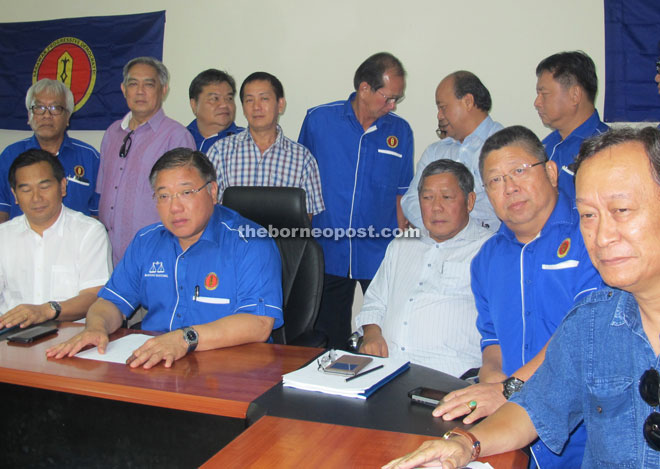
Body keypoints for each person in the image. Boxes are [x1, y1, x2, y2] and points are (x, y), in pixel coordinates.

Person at [383, 126, 660, 469]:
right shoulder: (590, 320)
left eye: (621, 210)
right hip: (514, 431)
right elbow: (537, 401)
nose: (602, 235)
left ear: (551, 172)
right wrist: (464, 442)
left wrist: (504, 391)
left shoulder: (595, 271)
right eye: (589, 215)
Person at [430, 126, 601, 467]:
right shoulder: (487, 259)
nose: (509, 188)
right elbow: (492, 339)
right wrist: (491, 383)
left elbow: (581, 338)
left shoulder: (593, 237)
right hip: (509, 436)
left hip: (586, 438)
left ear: (551, 172)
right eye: (495, 180)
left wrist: (509, 389)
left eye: (519, 171)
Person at [47, 148, 283, 369]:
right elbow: (111, 302)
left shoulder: (250, 242)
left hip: (231, 369)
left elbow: (259, 324)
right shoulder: (146, 241)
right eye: (164, 196)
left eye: (186, 192)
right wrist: (96, 327)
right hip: (156, 364)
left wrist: (184, 339)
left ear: (212, 191)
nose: (175, 207)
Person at [298, 52, 414, 349]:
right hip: (328, 250)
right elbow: (301, 184)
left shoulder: (400, 131)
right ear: (364, 89)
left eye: (397, 99)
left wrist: (406, 250)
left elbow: (402, 194)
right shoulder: (319, 120)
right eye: (388, 97)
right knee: (327, 338)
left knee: (384, 336)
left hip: (379, 254)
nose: (393, 106)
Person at [355, 159, 491, 377]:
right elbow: (375, 301)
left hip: (451, 378)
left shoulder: (489, 250)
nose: (436, 207)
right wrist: (371, 334)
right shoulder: (403, 243)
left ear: (469, 201)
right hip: (385, 371)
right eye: (427, 198)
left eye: (447, 197)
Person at [96, 56, 195, 265]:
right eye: (133, 84)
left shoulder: (176, 136)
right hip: (108, 255)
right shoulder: (111, 133)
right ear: (124, 89)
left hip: (155, 255)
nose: (140, 91)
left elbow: (185, 202)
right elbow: (102, 193)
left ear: (164, 90)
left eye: (149, 84)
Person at [0, 150, 111, 329]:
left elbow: (95, 296)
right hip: (12, 338)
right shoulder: (3, 236)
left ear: (63, 186)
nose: (36, 198)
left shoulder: (89, 231)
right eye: (26, 190)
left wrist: (46, 310)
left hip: (70, 338)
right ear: (15, 196)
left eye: (44, 187)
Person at [206, 72, 324, 217]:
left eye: (264, 99)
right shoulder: (220, 152)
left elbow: (305, 219)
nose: (256, 107)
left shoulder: (303, 159)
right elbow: (207, 209)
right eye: (249, 100)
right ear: (243, 107)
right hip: (231, 238)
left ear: (280, 105)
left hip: (280, 239)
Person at [401, 71, 503, 232]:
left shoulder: (506, 145)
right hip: (435, 246)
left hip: (487, 247)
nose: (439, 115)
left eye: (443, 107)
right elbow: (410, 200)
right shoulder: (435, 152)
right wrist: (438, 230)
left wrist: (460, 234)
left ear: (468, 102)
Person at [0, 79, 100, 221]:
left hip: (76, 242)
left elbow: (98, 214)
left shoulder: (90, 158)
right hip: (23, 241)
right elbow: (2, 210)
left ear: (68, 117)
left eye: (55, 108)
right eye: (39, 107)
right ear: (29, 116)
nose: (46, 115)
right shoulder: (10, 156)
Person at [534, 51, 608, 200]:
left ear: (575, 95)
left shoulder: (606, 148)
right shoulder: (546, 145)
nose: (537, 103)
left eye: (544, 94)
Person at [187, 69, 245, 153]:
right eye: (215, 99)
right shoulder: (178, 138)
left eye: (229, 98)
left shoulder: (246, 141)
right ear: (194, 105)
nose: (224, 104)